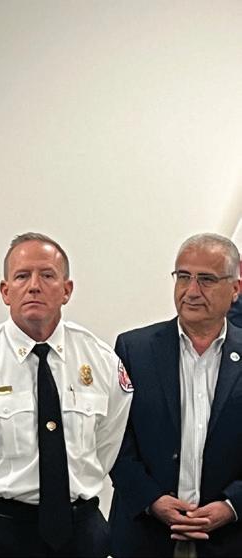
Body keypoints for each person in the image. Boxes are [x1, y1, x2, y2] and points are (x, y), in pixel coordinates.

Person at [0, 232, 133, 558]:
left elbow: (107, 444)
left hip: (81, 533)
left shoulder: (101, 361)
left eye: (48, 275)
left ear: (67, 290)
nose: (34, 286)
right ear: (5, 291)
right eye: (22, 276)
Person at [109, 233, 242, 557]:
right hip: (146, 536)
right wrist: (152, 500)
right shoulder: (134, 350)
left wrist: (232, 505)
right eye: (183, 277)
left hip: (230, 539)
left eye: (206, 279)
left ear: (235, 289)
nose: (191, 291)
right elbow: (113, 440)